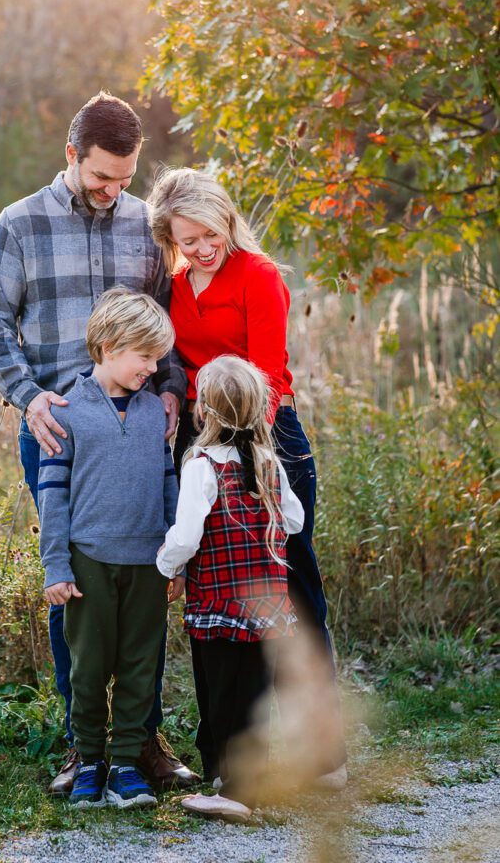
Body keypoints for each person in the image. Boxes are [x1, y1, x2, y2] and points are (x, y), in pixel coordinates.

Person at [0, 93, 197, 793]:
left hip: (140, 435)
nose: (113, 191)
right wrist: (29, 394)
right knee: (74, 588)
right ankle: (83, 749)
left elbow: (162, 323)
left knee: (143, 587)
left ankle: (142, 745)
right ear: (71, 155)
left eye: (124, 178)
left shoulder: (141, 224)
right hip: (58, 428)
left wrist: (169, 387)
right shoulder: (20, 223)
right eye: (101, 176)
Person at [148, 167, 348, 790]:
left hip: (267, 436)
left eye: (212, 233)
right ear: (171, 239)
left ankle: (325, 752)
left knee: (292, 585)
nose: (203, 248)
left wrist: (246, 449)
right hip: (203, 443)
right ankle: (237, 754)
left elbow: (270, 373)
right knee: (223, 594)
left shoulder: (257, 276)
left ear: (228, 221)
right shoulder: (177, 285)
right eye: (189, 239)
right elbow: (177, 362)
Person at [41, 289, 183, 808]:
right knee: (89, 666)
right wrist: (56, 564)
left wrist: (175, 558)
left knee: (140, 664)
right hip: (88, 561)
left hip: (148, 561)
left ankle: (126, 763)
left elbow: (169, 486)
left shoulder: (154, 413)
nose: (153, 367)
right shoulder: (67, 410)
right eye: (144, 356)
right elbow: (52, 496)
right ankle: (90, 761)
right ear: (105, 346)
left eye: (158, 357)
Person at [157, 356, 304, 822]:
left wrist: (165, 565)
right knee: (254, 697)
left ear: (205, 413)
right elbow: (295, 520)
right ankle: (243, 782)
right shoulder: (269, 464)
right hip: (268, 608)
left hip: (219, 605)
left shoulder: (202, 465)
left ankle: (233, 789)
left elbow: (186, 536)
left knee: (220, 694)